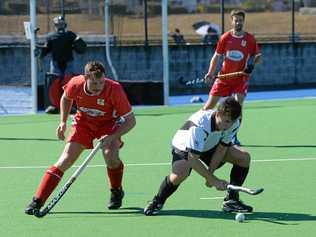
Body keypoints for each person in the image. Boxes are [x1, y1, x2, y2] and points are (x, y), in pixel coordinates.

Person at [25, 61, 136, 215]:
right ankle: (38, 200)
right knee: (65, 160)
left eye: (101, 82)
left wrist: (112, 136)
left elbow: (131, 121)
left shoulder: (115, 89)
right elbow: (66, 98)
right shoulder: (75, 83)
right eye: (94, 83)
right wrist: (63, 122)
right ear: (85, 78)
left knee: (110, 156)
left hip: (109, 124)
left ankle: (116, 190)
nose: (99, 86)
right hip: (83, 123)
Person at [144, 97, 253, 216]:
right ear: (217, 114)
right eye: (226, 121)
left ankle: (231, 200)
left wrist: (210, 175)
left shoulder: (234, 123)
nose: (228, 125)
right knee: (180, 174)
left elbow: (221, 149)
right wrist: (213, 180)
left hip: (210, 144)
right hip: (184, 146)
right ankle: (157, 201)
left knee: (243, 158)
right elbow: (192, 158)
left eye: (232, 122)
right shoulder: (200, 125)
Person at [203, 9, 261, 145]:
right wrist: (210, 73)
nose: (238, 23)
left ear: (243, 21)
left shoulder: (250, 39)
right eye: (236, 20)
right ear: (232, 21)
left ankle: (233, 136)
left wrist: (251, 64)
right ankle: (201, 131)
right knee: (208, 106)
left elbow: (257, 56)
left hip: (240, 78)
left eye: (240, 20)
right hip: (223, 78)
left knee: (238, 105)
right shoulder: (225, 38)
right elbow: (216, 56)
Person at [37, 15, 87, 114]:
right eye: (58, 24)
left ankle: (70, 106)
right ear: (55, 25)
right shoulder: (50, 37)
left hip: (69, 62)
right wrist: (40, 52)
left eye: (62, 24)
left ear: (65, 25)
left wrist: (80, 43)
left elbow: (79, 48)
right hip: (55, 63)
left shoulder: (70, 35)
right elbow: (46, 49)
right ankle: (55, 106)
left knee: (69, 84)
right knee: (55, 84)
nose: (60, 26)